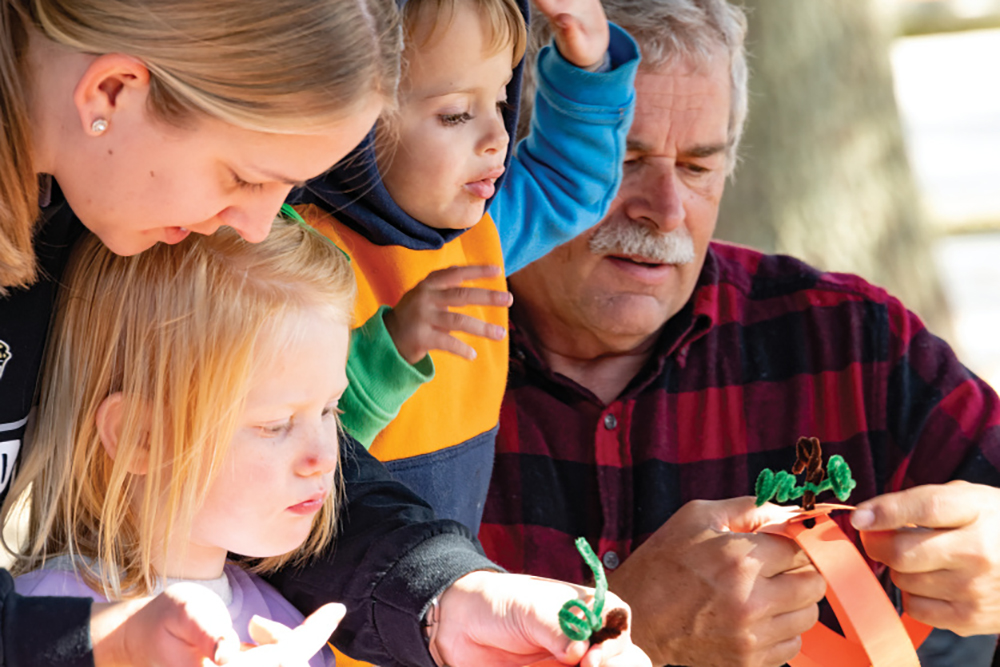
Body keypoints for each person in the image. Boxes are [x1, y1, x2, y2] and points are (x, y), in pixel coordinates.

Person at [0, 2, 649, 666]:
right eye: (245, 176)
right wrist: (113, 645)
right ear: (111, 93)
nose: (258, 226)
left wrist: (451, 595)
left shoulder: (105, 197)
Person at [477, 1, 1000, 666]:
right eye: (624, 159)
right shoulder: (397, 361)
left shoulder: (849, 340)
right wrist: (616, 632)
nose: (665, 209)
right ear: (512, 157)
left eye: (698, 166)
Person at [297, 0, 640, 533]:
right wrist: (390, 348)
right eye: (456, 114)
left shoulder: (482, 232)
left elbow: (570, 182)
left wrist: (588, 63)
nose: (498, 137)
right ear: (348, 117)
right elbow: (283, 453)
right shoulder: (289, 253)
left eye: (502, 101)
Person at [7, 222, 356, 666]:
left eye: (329, 410)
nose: (324, 458)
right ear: (141, 436)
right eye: (275, 425)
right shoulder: (43, 623)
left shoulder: (289, 633)